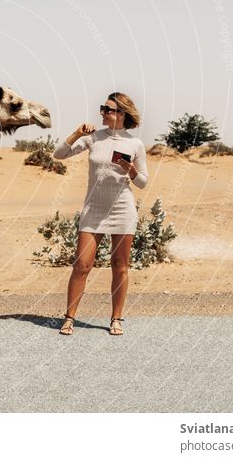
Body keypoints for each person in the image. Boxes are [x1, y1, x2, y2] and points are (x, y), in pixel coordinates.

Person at [52, 92, 148, 336]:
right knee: (82, 265)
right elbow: (59, 154)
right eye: (103, 108)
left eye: (108, 109)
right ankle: (69, 318)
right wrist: (77, 134)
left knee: (120, 265)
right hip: (93, 209)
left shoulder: (135, 144)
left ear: (122, 114)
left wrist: (131, 170)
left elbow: (143, 183)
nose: (103, 113)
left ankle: (116, 319)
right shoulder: (93, 138)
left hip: (122, 209)